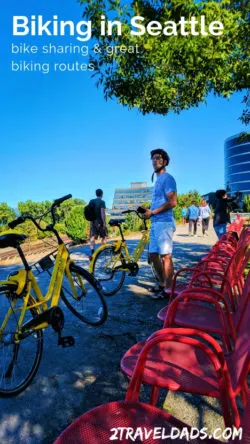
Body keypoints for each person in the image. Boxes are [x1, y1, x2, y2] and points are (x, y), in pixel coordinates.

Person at [142, 148, 177, 299]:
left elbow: (173, 202)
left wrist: (153, 212)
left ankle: (169, 291)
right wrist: (148, 212)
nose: (155, 161)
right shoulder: (157, 181)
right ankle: (163, 283)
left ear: (165, 161)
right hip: (156, 222)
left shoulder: (168, 178)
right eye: (153, 158)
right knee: (153, 255)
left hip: (164, 223)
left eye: (158, 158)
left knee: (166, 257)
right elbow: (159, 203)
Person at [89, 189, 107, 260]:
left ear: (96, 194)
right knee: (103, 236)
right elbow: (102, 213)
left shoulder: (91, 201)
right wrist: (104, 222)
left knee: (92, 237)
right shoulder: (102, 202)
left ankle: (92, 251)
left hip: (93, 222)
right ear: (102, 194)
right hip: (100, 222)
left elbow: (89, 212)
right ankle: (105, 250)